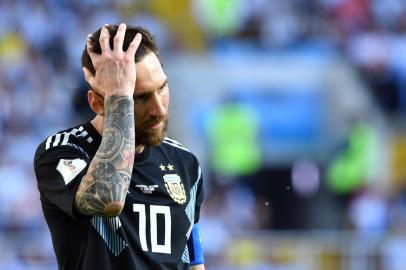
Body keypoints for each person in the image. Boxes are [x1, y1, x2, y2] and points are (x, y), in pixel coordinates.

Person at [34, 23, 205, 270]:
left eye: (162, 88)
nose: (159, 109)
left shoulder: (185, 162)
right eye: (140, 97)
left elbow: (193, 261)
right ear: (98, 103)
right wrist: (119, 95)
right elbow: (108, 199)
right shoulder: (62, 152)